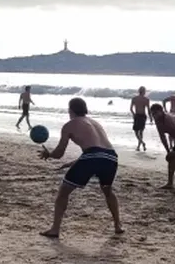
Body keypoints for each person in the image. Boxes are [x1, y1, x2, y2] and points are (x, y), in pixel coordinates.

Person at [38, 98, 123, 238]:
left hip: (91, 157)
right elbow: (99, 150)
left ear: (70, 110)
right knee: (107, 190)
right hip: (111, 157)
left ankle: (55, 229)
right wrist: (74, 162)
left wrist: (49, 154)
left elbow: (59, 153)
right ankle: (118, 225)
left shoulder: (69, 125)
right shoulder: (96, 123)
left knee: (63, 193)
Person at [129, 86, 152, 151]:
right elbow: (148, 110)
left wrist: (134, 114)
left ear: (139, 91)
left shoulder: (134, 98)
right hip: (143, 116)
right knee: (141, 132)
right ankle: (141, 144)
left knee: (136, 132)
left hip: (137, 115)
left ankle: (140, 145)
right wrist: (150, 117)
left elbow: (131, 109)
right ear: (144, 92)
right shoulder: (146, 99)